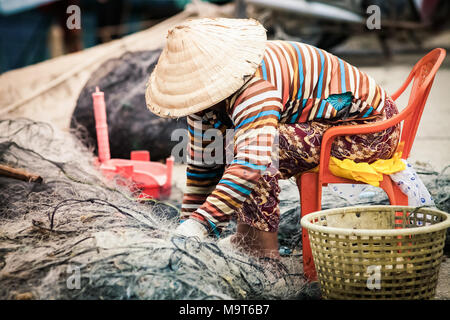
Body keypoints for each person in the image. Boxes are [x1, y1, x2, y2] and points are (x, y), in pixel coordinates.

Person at [145, 18, 400, 260]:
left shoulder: (254, 86)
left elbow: (250, 164)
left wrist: (201, 223)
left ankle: (262, 251)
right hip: (328, 123)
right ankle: (245, 237)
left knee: (254, 148)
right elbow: (203, 167)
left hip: (369, 130)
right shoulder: (201, 102)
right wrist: (187, 226)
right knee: (234, 145)